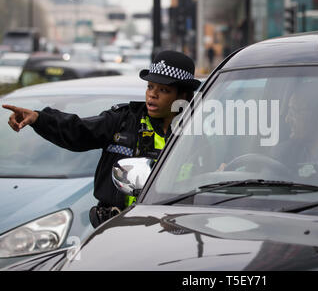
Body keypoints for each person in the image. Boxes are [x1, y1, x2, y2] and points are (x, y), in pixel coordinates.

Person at [3, 50, 201, 228]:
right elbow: (78, 131)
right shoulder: (123, 120)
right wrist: (39, 119)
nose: (152, 95)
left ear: (182, 94)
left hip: (175, 230)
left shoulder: (200, 132)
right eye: (150, 86)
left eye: (163, 90)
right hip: (118, 231)